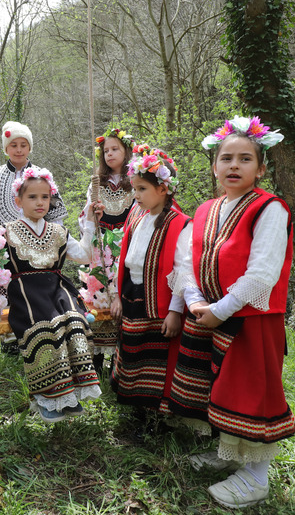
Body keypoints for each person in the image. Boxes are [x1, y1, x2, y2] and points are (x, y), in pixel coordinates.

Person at [170, 116, 295, 508]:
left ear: (260, 168)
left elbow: (263, 272)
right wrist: (194, 301)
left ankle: (257, 477)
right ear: (214, 166)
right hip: (211, 313)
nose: (234, 166)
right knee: (220, 388)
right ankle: (230, 456)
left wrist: (222, 309)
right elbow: (187, 260)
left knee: (251, 393)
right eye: (226, 158)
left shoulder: (269, 209)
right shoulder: (206, 209)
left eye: (245, 159)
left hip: (251, 318)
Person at [0, 167, 101, 423]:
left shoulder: (58, 231)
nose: (40, 202)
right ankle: (47, 397)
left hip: (58, 290)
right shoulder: (5, 231)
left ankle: (69, 393)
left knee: (73, 321)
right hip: (25, 293)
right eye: (32, 197)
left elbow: (85, 255)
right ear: (18, 201)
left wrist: (92, 222)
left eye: (45, 197)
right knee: (45, 327)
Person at [108, 146, 190, 425]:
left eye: (142, 189)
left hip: (157, 301)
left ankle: (156, 413)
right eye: (135, 189)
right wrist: (118, 296)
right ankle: (135, 407)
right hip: (132, 293)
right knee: (131, 348)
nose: (136, 195)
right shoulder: (136, 215)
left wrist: (176, 311)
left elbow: (182, 271)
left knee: (152, 356)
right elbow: (124, 258)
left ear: (164, 188)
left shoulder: (178, 223)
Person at [0, 121, 67, 355]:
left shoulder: (41, 176)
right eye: (13, 145)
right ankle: (10, 338)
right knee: (5, 288)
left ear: (30, 148)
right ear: (5, 148)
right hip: (6, 244)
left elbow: (55, 211)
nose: (19, 149)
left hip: (39, 241)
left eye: (24, 145)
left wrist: (54, 240)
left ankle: (41, 330)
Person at [79, 129, 138, 371]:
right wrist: (94, 215)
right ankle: (95, 359)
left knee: (121, 296)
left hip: (126, 246)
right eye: (106, 151)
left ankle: (119, 359)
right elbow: (84, 218)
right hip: (101, 247)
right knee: (98, 295)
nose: (110, 154)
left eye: (115, 149)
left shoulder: (135, 181)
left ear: (126, 152)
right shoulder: (97, 184)